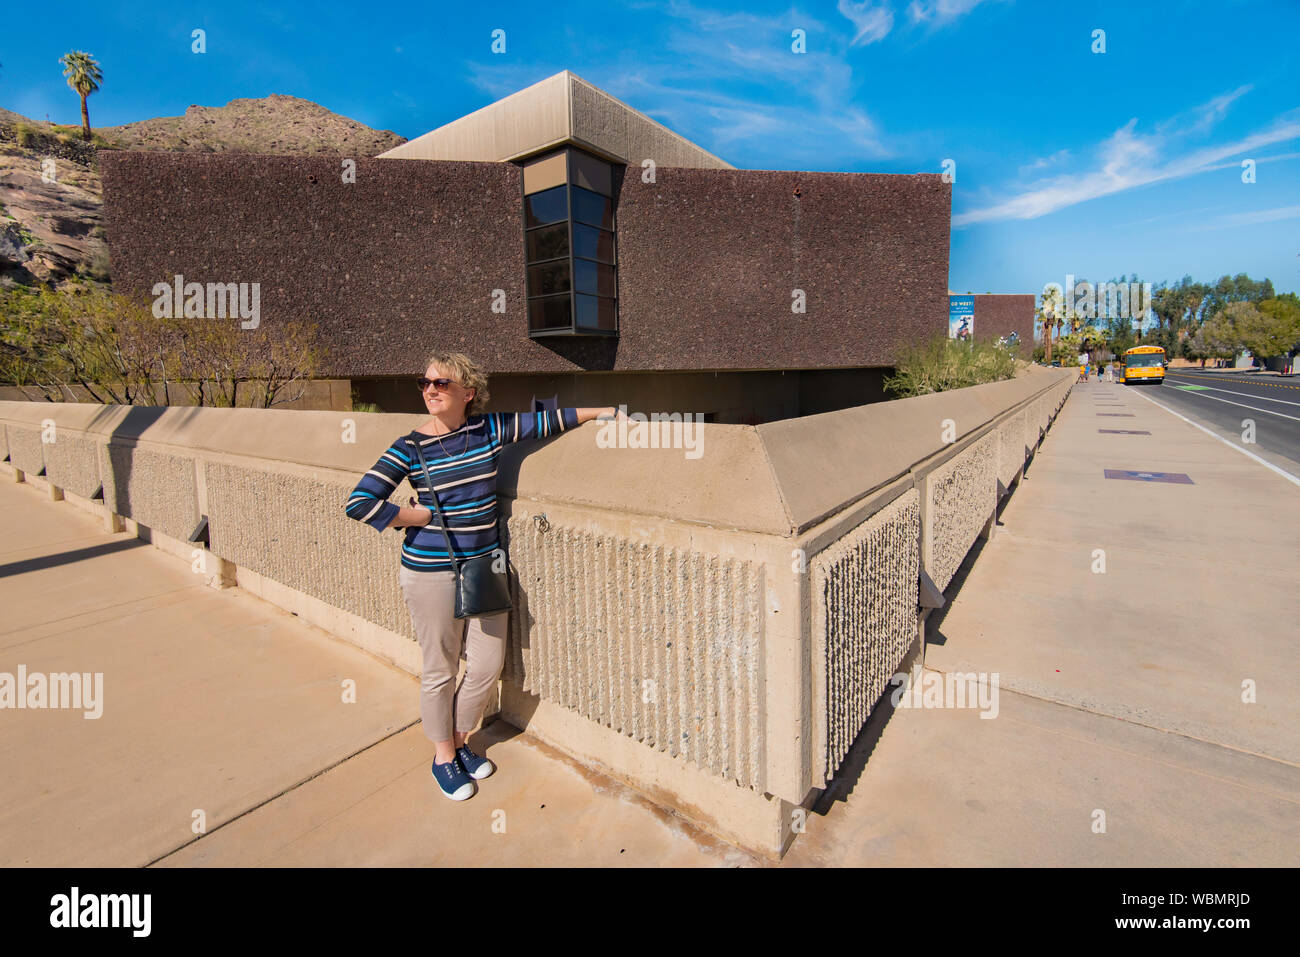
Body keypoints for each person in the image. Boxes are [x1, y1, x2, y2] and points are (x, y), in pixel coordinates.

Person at [344, 351, 623, 802]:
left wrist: (603, 412)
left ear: (467, 393)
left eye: (442, 383)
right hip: (430, 574)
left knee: (488, 664)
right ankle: (442, 758)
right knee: (441, 669)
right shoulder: (409, 447)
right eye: (425, 382)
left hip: (485, 568)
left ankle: (459, 739)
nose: (431, 389)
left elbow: (549, 421)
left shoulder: (488, 431)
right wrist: (413, 514)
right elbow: (360, 501)